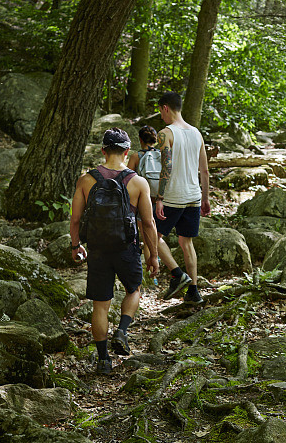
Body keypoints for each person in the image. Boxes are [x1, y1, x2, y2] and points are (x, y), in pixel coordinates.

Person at [70, 128, 159, 374]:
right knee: (134, 289)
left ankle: (103, 360)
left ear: (103, 150)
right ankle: (122, 331)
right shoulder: (138, 182)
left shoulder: (86, 180)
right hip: (127, 248)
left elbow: (75, 219)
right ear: (127, 151)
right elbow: (148, 223)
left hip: (97, 250)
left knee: (100, 305)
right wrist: (153, 254)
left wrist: (75, 245)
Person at [154, 91, 210, 304]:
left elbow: (166, 166)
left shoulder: (166, 133)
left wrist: (160, 197)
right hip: (194, 196)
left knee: (152, 235)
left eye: (160, 111)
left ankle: (177, 274)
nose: (161, 116)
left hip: (173, 197)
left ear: (166, 108)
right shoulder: (197, 133)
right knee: (186, 242)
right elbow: (204, 171)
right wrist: (205, 198)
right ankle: (194, 291)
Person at [128, 125, 159, 264]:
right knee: (155, 234)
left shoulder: (136, 156)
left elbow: (127, 178)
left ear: (140, 139)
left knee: (147, 238)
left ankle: (152, 270)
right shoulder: (162, 155)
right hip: (160, 199)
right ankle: (156, 261)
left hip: (143, 201)